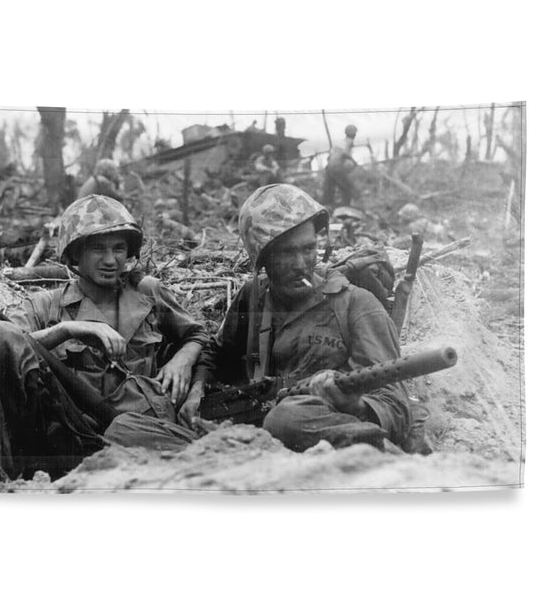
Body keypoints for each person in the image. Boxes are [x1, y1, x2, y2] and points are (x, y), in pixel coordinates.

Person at [108, 184, 411, 453]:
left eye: (309, 249)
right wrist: (197, 389)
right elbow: (216, 352)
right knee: (125, 428)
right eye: (286, 253)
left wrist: (354, 404)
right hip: (246, 434)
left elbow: (396, 405)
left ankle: (376, 457)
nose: (301, 264)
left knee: (287, 418)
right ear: (263, 258)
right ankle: (231, 463)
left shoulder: (357, 305)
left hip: (311, 431)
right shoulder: (254, 296)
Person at [0, 195, 207, 483]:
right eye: (98, 249)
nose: (111, 259)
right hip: (68, 440)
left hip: (139, 433)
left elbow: (199, 334)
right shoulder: (45, 306)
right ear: (75, 254)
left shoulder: (148, 293)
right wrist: (68, 330)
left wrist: (183, 359)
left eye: (119, 248)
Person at [323, 124, 358, 208]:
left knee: (329, 189)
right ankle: (346, 207)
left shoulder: (339, 143)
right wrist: (354, 162)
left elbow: (329, 157)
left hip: (329, 167)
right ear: (353, 134)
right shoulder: (349, 141)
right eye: (354, 133)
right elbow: (345, 153)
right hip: (337, 167)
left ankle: (327, 207)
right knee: (347, 188)